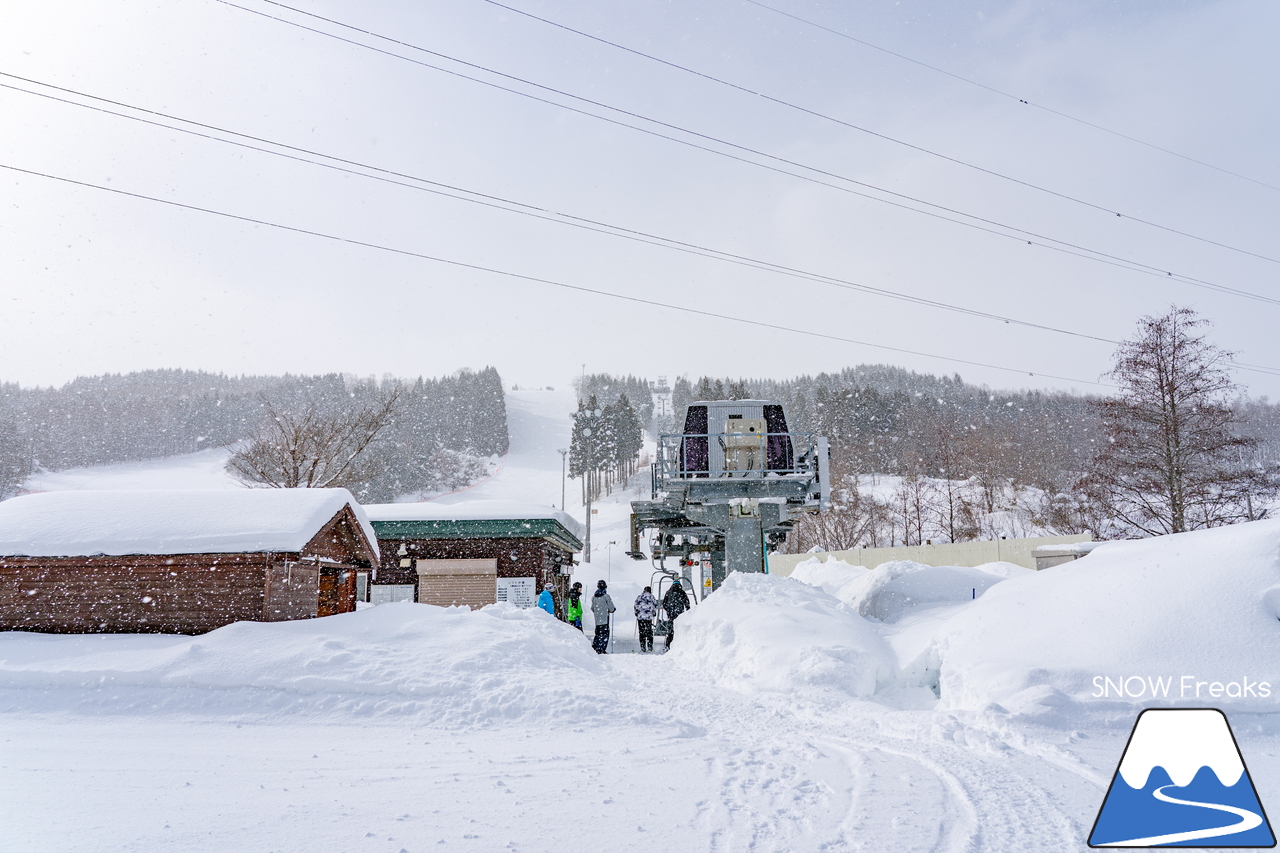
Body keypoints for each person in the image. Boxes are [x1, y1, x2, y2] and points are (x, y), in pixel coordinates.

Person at [662, 580, 690, 648]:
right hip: (679, 615)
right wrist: (687, 611)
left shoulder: (668, 592)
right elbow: (687, 603)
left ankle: (668, 646)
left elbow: (664, 604)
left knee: (670, 631)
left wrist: (668, 610)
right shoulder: (682, 592)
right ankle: (678, 646)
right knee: (678, 630)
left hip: (671, 614)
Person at [590, 579, 616, 654]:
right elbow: (611, 608)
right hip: (605, 619)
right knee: (605, 635)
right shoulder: (606, 596)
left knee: (597, 634)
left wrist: (598, 612)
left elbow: (592, 608)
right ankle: (602, 649)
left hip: (597, 620)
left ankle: (595, 648)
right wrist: (612, 610)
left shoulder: (594, 597)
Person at [634, 586, 658, 653]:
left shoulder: (640, 597)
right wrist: (653, 612)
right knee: (649, 632)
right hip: (648, 618)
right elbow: (655, 605)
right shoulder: (652, 597)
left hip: (640, 617)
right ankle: (650, 647)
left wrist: (636, 612)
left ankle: (643, 647)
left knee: (641, 632)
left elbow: (635, 605)